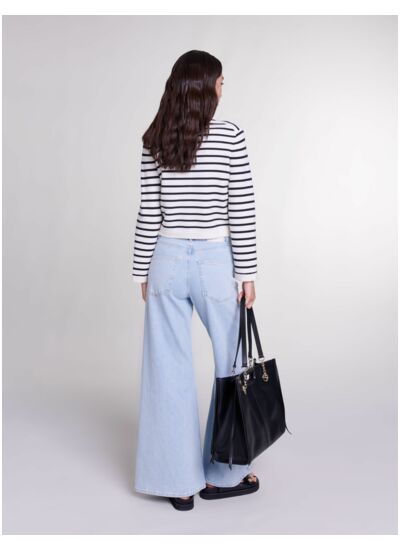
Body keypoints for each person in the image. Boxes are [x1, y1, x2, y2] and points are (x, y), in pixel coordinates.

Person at [132, 50, 259, 511]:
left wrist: (141, 269)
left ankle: (178, 483)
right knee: (233, 363)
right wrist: (247, 272)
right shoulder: (230, 136)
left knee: (167, 369)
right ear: (205, 88)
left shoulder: (155, 137)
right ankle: (223, 475)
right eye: (221, 82)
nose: (224, 89)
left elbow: (149, 210)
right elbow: (240, 207)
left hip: (165, 259)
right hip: (214, 263)